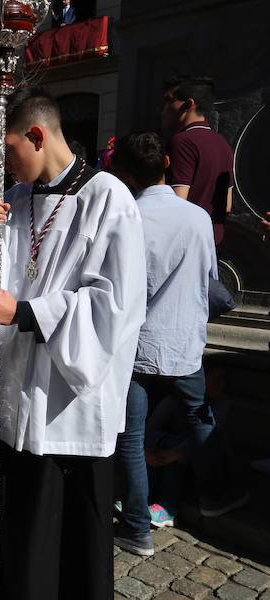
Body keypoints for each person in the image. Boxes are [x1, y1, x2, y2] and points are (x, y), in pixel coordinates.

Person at [0, 88, 146, 600]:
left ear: (37, 136)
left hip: (67, 398)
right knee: (16, 516)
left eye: (8, 153)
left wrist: (25, 313)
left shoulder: (109, 198)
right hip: (16, 387)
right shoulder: (16, 199)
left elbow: (117, 304)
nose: (1, 169)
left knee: (66, 526)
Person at [110, 132, 248, 556]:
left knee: (131, 435)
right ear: (167, 163)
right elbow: (208, 276)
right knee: (197, 416)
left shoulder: (126, 216)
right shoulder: (196, 217)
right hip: (182, 338)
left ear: (126, 173)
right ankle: (212, 495)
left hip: (136, 342)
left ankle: (137, 526)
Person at [160, 76, 234, 246]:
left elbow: (177, 202)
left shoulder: (182, 141)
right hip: (213, 241)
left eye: (168, 100)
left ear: (188, 104)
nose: (163, 109)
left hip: (186, 243)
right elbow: (227, 205)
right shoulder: (223, 143)